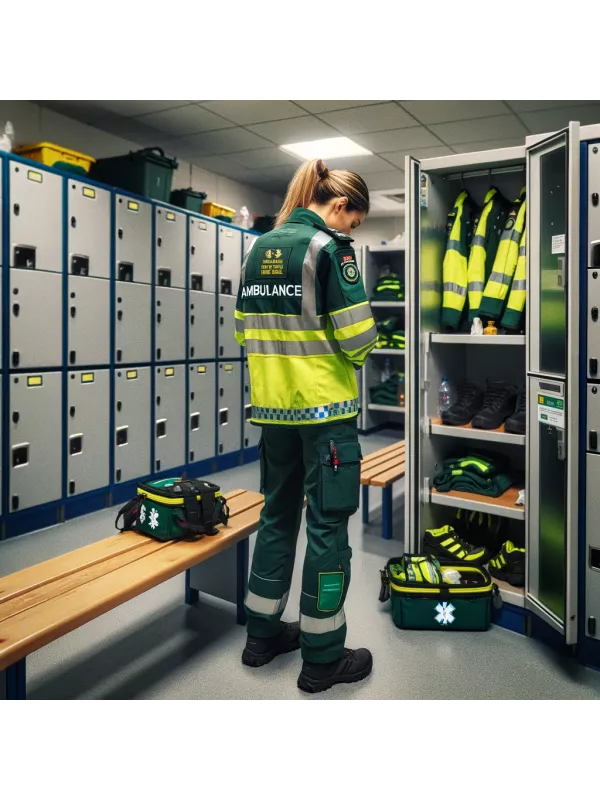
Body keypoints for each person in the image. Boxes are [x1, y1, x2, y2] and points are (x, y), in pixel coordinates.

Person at [234, 158, 378, 693]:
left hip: (273, 413)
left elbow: (242, 330)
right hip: (325, 415)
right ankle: (322, 658)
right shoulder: (329, 251)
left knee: (276, 518)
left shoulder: (258, 247)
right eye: (354, 223)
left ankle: (262, 636)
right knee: (327, 529)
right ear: (339, 206)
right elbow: (359, 337)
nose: (350, 233)